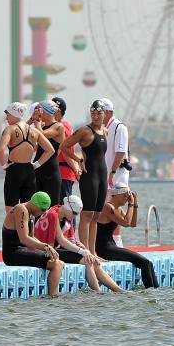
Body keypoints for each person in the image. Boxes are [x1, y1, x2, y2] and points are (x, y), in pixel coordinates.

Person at [35, 194, 125, 293]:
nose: (75, 216)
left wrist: (84, 249)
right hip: (43, 251)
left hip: (54, 250)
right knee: (88, 260)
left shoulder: (66, 216)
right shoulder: (53, 214)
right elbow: (62, 240)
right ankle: (98, 292)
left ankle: (119, 290)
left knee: (92, 259)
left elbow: (72, 239)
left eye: (77, 214)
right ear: (68, 207)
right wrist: (83, 252)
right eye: (74, 213)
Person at [60, 99, 109, 252]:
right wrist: (79, 160)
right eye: (93, 114)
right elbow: (64, 146)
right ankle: (85, 251)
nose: (95, 117)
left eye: (99, 114)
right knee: (87, 214)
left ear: (104, 114)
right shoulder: (85, 131)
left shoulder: (105, 131)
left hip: (102, 175)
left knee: (96, 216)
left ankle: (93, 252)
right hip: (89, 176)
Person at [0, 191, 64, 297]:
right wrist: (45, 246)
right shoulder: (21, 209)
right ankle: (53, 298)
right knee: (57, 264)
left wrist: (48, 249)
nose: (43, 213)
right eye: (43, 210)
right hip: (12, 254)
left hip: (21, 251)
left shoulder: (30, 214)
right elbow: (24, 238)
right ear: (36, 205)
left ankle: (52, 296)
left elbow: (32, 237)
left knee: (57, 260)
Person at [96, 183, 157, 288]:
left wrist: (135, 204)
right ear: (116, 195)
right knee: (145, 263)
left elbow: (133, 224)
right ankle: (151, 294)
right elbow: (126, 223)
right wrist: (131, 204)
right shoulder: (107, 207)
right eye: (125, 195)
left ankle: (156, 291)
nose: (127, 198)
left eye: (128, 196)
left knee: (148, 263)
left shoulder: (117, 208)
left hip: (111, 247)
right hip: (104, 249)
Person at [0, 102, 54, 212]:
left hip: (14, 170)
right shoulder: (35, 131)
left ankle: (13, 229)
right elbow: (50, 150)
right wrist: (36, 164)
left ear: (14, 114)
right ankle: (29, 230)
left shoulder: (10, 129)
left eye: (8, 114)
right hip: (29, 171)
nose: (6, 118)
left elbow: (0, 149)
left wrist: (3, 165)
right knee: (28, 210)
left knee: (11, 210)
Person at [101, 98, 130, 246]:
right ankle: (107, 242)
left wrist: (112, 172)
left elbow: (120, 151)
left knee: (115, 211)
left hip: (117, 178)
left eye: (99, 112)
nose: (96, 115)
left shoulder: (119, 127)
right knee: (104, 212)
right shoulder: (102, 128)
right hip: (105, 178)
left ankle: (117, 244)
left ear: (107, 112)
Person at [32, 100, 65, 205]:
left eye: (39, 110)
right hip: (37, 169)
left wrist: (37, 122)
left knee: (51, 208)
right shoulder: (41, 125)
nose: (36, 112)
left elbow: (40, 135)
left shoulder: (58, 126)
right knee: (35, 207)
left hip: (51, 172)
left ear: (45, 112)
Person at [52, 97, 81, 203]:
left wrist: (76, 170)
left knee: (63, 208)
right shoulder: (65, 125)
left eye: (51, 108)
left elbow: (65, 150)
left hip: (63, 173)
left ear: (58, 111)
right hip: (64, 173)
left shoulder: (60, 127)